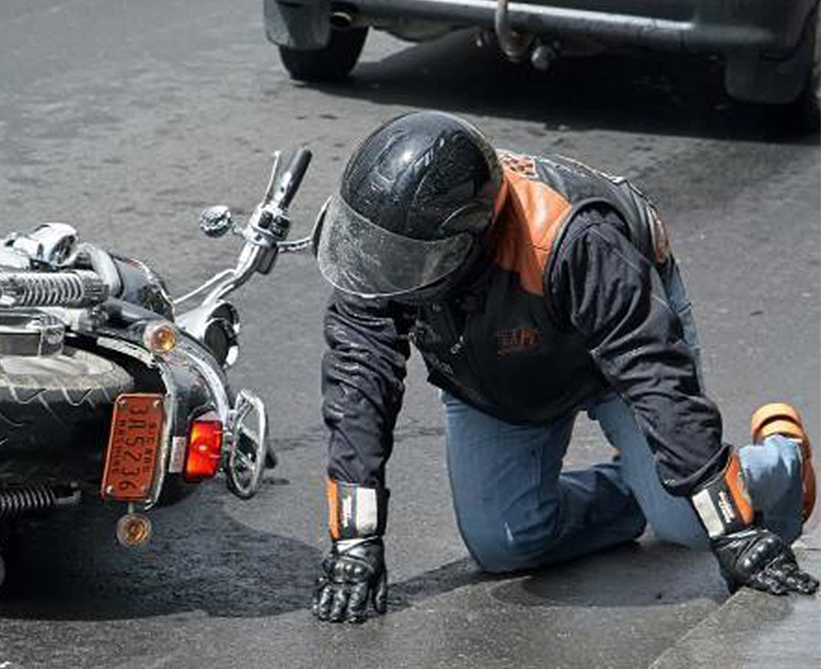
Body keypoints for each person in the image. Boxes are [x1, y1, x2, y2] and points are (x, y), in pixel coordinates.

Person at [309, 111, 818, 623]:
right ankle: (646, 484)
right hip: (495, 369)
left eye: (404, 263)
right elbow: (359, 376)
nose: (386, 271)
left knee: (687, 523)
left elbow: (653, 372)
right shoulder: (382, 244)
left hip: (615, 356)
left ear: (467, 243)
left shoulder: (577, 239)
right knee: (503, 545)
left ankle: (783, 465)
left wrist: (732, 528)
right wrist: (355, 539)